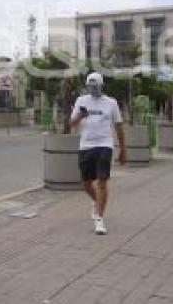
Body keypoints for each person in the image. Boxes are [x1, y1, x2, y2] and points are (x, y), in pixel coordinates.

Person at [68, 72, 127, 235]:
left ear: (101, 85)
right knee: (86, 183)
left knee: (102, 181)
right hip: (86, 146)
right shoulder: (81, 101)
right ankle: (97, 202)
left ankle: (99, 219)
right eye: (90, 86)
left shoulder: (111, 103)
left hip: (104, 145)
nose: (93, 89)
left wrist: (123, 149)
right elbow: (71, 124)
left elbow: (118, 126)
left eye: (95, 86)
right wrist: (80, 115)